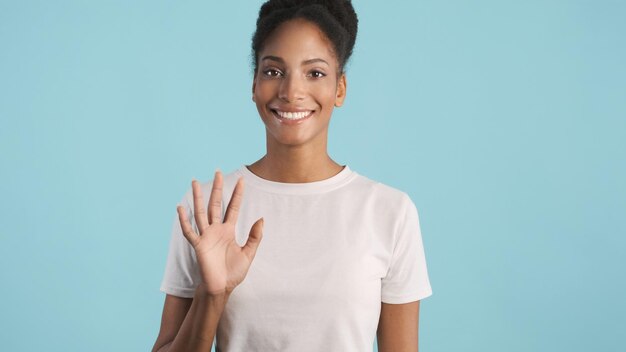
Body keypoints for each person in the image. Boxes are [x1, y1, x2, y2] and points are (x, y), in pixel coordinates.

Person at [151, 0, 432, 351]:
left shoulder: (390, 212)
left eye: (314, 73)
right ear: (254, 85)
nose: (291, 92)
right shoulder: (209, 210)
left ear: (340, 89)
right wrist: (213, 294)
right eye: (273, 71)